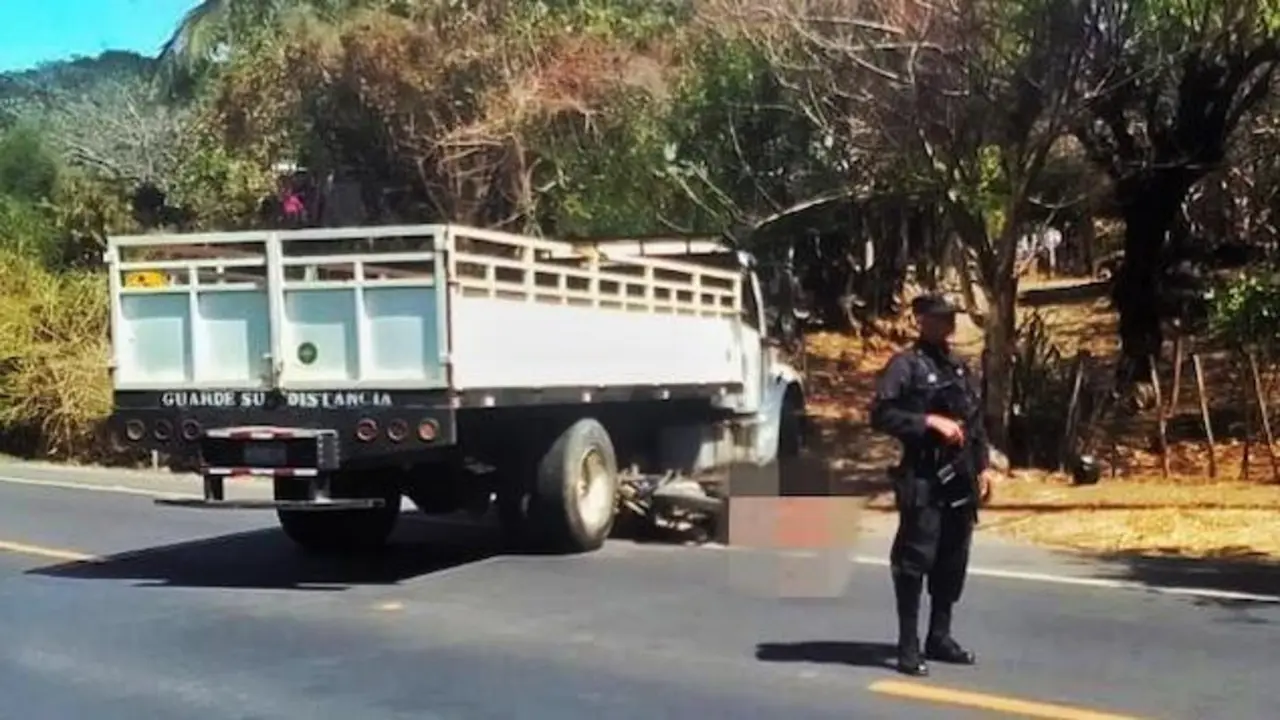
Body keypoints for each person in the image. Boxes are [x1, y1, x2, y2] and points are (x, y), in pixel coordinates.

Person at [869, 293, 997, 677]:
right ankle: (908, 646)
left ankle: (939, 637)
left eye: (951, 318)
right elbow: (881, 413)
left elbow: (974, 424)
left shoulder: (958, 368)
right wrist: (927, 422)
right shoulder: (905, 366)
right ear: (921, 320)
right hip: (923, 476)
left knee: (952, 560)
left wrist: (984, 467)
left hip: (959, 478)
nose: (949, 324)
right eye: (940, 318)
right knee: (914, 561)